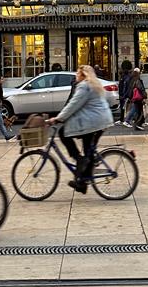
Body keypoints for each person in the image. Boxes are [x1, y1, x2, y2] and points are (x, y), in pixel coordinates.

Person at [48, 64, 114, 193]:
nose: (76, 76)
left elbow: (73, 104)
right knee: (89, 151)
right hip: (100, 121)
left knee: (63, 133)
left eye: (78, 74)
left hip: (94, 123)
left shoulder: (84, 86)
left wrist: (58, 118)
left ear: (83, 75)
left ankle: (79, 161)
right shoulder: (94, 84)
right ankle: (82, 182)